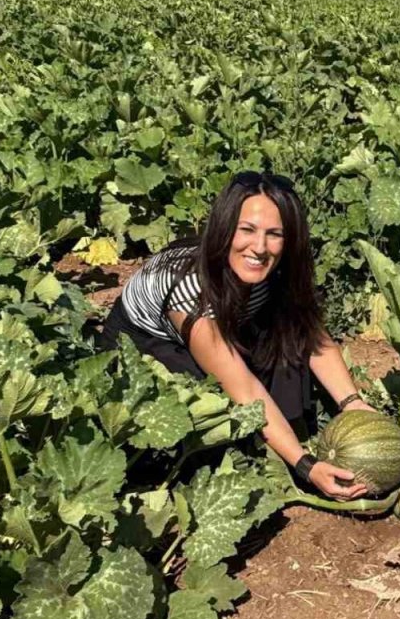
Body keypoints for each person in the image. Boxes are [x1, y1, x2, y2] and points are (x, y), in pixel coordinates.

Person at [100, 171, 370, 501]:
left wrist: (353, 404)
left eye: (275, 234)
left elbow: (313, 335)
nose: (260, 247)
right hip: (144, 345)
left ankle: (281, 433)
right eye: (247, 230)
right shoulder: (190, 288)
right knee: (211, 399)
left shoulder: (279, 271)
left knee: (288, 338)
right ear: (225, 228)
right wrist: (306, 466)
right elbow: (243, 387)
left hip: (228, 319)